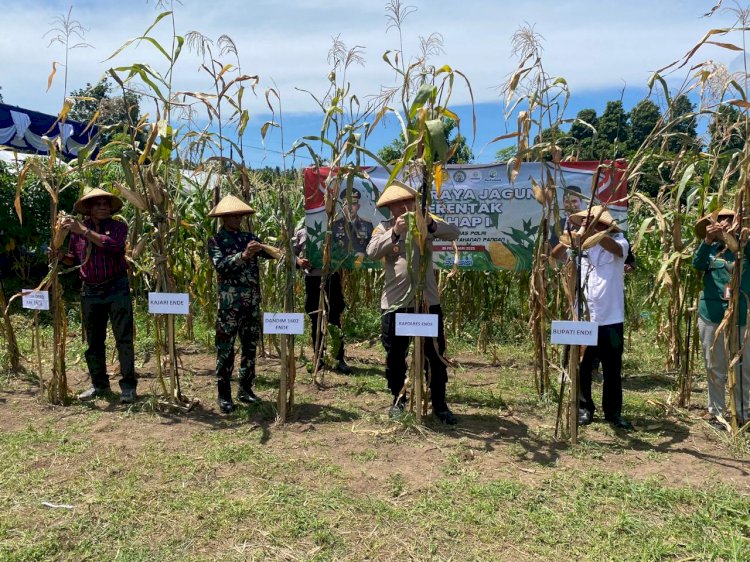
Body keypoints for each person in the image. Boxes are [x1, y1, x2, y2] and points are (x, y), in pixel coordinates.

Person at [366, 180, 460, 424]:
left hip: (426, 302)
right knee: (395, 356)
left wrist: (429, 224)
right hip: (396, 304)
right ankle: (398, 400)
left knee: (435, 355)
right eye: (396, 204)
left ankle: (439, 404)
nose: (403, 208)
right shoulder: (383, 228)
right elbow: (372, 251)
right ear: (389, 208)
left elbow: (454, 232)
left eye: (407, 202)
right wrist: (395, 232)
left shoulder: (425, 223)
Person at [58, 188, 137, 403]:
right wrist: (59, 254)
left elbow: (113, 246)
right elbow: (74, 259)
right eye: (98, 204)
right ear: (89, 208)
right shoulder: (77, 231)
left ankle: (128, 387)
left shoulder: (118, 227)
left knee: (124, 339)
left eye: (106, 204)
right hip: (90, 291)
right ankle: (99, 385)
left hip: (116, 288)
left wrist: (82, 230)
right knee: (94, 341)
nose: (103, 207)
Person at [565, 205, 633, 430]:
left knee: (612, 368)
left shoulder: (620, 242)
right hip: (584, 317)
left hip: (611, 318)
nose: (587, 226)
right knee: (582, 366)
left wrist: (592, 233)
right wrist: (575, 245)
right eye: (587, 222)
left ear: (605, 226)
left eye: (594, 222)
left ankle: (613, 412)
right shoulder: (578, 247)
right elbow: (566, 268)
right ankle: (584, 410)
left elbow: (612, 246)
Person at [207, 195, 276, 413]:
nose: (236, 218)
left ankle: (246, 390)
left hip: (251, 303)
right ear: (223, 218)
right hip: (229, 305)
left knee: (249, 347)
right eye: (232, 215)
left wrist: (294, 258)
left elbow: (271, 253)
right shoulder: (215, 241)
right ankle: (224, 395)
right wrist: (244, 255)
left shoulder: (249, 237)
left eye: (239, 215)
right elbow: (221, 266)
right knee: (226, 349)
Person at [692, 208, 750, 428]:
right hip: (712, 315)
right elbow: (697, 265)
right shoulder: (709, 249)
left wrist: (741, 238)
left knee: (743, 366)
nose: (725, 223)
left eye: (730, 220)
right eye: (721, 220)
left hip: (742, 314)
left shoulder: (745, 248)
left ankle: (743, 413)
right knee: (714, 365)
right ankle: (716, 412)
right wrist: (707, 240)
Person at [292, 224, 351, 374]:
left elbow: (348, 250)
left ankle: (339, 358)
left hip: (332, 277)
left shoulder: (336, 228)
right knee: (315, 319)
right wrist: (298, 262)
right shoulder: (301, 232)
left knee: (335, 318)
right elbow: (290, 254)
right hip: (312, 280)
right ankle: (318, 358)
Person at [332, 187, 374, 258]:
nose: (350, 208)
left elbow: (374, 249)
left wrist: (364, 255)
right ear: (342, 207)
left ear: (358, 206)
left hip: (361, 266)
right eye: (347, 204)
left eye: (353, 204)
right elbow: (329, 249)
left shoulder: (367, 226)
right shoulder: (335, 225)